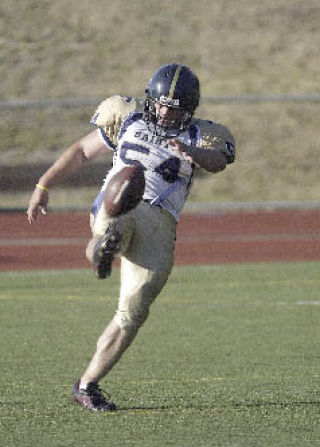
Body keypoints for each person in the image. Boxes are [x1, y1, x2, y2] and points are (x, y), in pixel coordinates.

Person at [27, 63, 236, 411]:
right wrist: (43, 184)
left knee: (133, 312)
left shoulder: (202, 134)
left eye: (175, 106)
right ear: (149, 99)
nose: (166, 111)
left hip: (161, 221)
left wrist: (194, 154)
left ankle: (86, 385)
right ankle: (101, 249)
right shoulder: (128, 117)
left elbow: (218, 161)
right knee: (116, 215)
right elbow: (81, 151)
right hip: (122, 201)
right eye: (161, 103)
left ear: (190, 108)